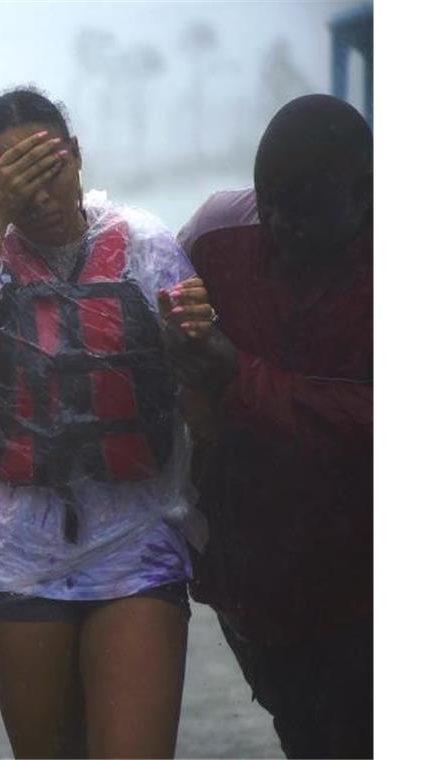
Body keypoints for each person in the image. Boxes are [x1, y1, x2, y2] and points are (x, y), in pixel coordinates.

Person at [0, 86, 215, 758]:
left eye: (50, 169)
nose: (40, 195)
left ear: (77, 156)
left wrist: (201, 338)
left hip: (136, 542)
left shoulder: (143, 247)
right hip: (16, 550)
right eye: (16, 178)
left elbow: (207, 396)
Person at [171, 93, 373, 759]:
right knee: (305, 733)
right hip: (253, 577)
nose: (280, 223)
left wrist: (239, 374)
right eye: (269, 202)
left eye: (305, 207)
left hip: (363, 577)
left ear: (368, 192)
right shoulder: (218, 235)